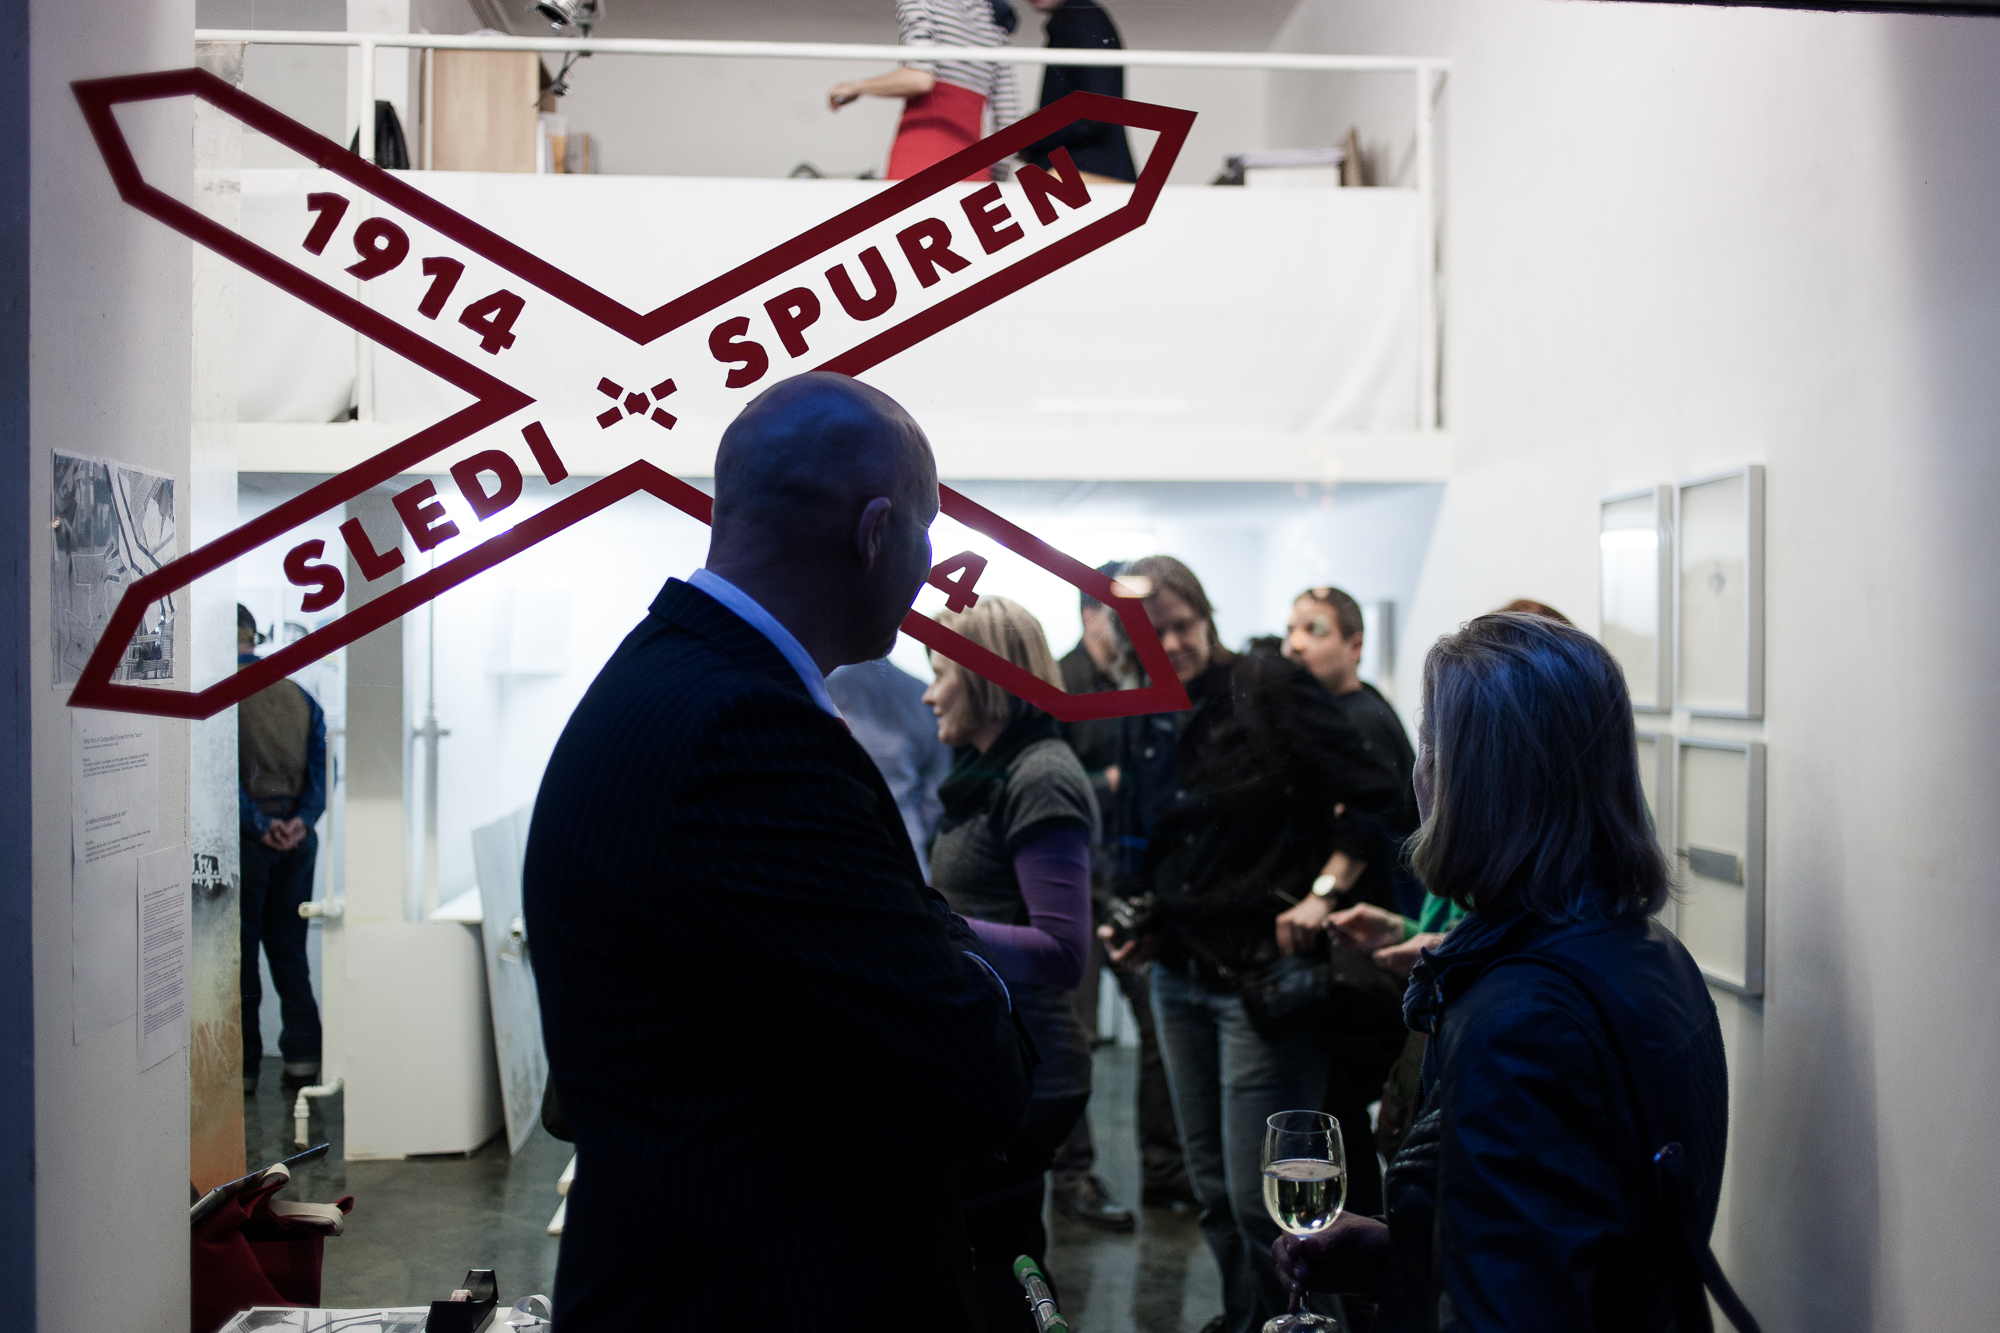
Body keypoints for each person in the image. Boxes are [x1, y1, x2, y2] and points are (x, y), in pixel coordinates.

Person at [523, 373, 1034, 1333]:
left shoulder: (672, 676)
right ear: (874, 532)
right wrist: (968, 965)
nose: (929, 567)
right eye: (927, 532)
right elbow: (970, 1079)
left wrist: (925, 936)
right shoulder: (747, 733)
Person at [1276, 612, 1728, 1333]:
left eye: (1429, 745)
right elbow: (1584, 1243)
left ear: (1474, 784)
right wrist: (1399, 1258)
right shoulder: (1649, 952)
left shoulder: (1521, 1026)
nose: (1418, 771)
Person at [1101, 555, 1402, 1333]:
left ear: (1207, 616)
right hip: (1178, 973)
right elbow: (1156, 841)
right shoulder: (1144, 709)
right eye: (1155, 633)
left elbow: (1382, 794)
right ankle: (1251, 1323)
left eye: (1184, 625)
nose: (1174, 644)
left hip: (1261, 986)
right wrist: (1139, 919)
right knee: (1212, 1192)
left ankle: (1310, 1326)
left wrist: (1325, 890)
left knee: (1260, 1201)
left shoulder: (1265, 685)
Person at [922, 596, 1096, 1332]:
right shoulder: (983, 770)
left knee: (1001, 1263)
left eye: (940, 674)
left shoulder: (1041, 775)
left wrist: (928, 928)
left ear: (983, 678)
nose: (929, 694)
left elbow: (1063, 953)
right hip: (996, 1056)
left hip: (1032, 1068)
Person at [236, 603, 326, 1097]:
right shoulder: (300, 696)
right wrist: (299, 823)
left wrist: (260, 824)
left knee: (242, 955)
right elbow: (321, 775)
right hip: (297, 841)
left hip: (249, 842)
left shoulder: (222, 696)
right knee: (290, 952)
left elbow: (220, 776)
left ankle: (244, 1070)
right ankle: (303, 1060)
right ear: (255, 636)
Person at [829, 0, 1021, 182]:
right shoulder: (995, 16)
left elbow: (920, 78)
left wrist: (856, 87)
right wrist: (991, 178)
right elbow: (1009, 121)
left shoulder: (923, 3)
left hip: (918, 159)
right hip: (972, 171)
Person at [826, 656, 953, 879]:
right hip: (904, 846)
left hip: (834, 845)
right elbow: (936, 790)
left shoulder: (823, 687)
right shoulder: (919, 693)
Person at [1019, 0, 1138, 184]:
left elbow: (1095, 111)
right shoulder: (1075, 19)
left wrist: (1028, 135)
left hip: (1087, 179)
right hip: (1084, 176)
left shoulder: (1083, 20)